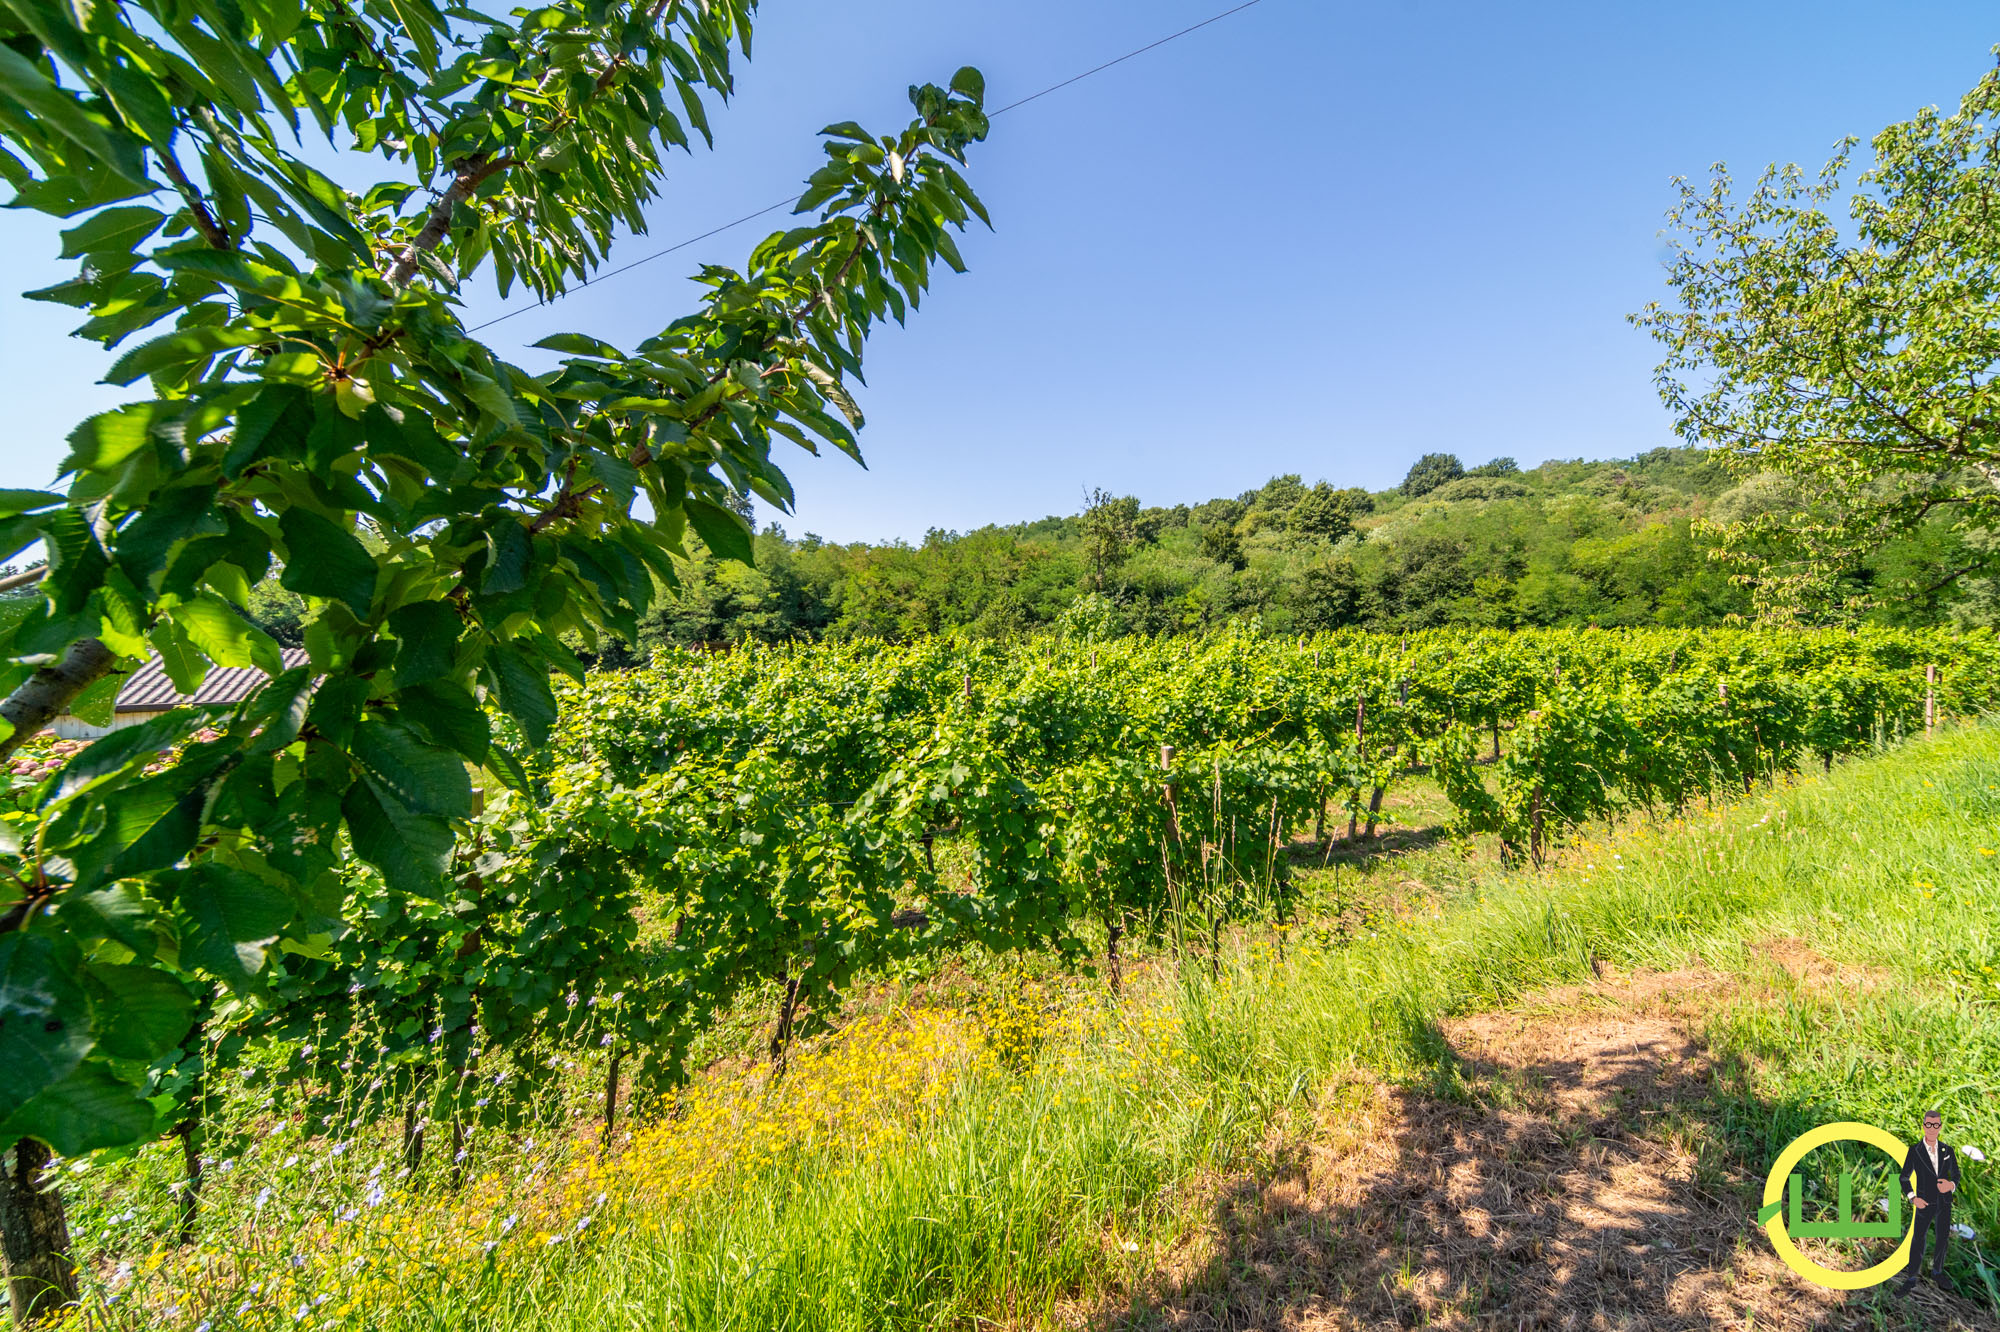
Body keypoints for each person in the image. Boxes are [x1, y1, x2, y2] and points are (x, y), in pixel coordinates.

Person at [1897, 1110, 1960, 1293]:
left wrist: (1951, 1185)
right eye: (1929, 1125)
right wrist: (1913, 1198)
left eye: (1936, 1125)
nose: (1932, 1128)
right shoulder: (1914, 1151)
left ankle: (1937, 1272)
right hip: (1924, 1201)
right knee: (1918, 1238)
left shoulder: (1948, 1151)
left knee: (1942, 1237)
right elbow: (1904, 1177)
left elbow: (1956, 1174)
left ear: (1940, 1127)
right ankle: (1911, 1277)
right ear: (1924, 1126)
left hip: (1944, 1201)